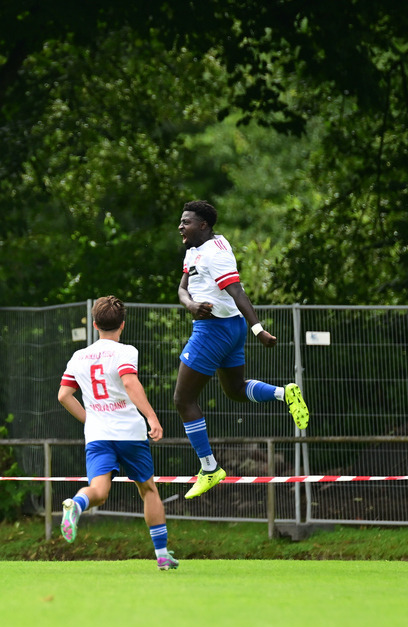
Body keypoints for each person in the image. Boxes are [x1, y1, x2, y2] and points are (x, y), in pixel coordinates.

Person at [175, 200, 310, 499]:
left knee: (183, 399)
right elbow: (182, 289)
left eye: (186, 222)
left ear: (203, 225)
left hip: (214, 330)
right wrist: (191, 305)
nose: (180, 226)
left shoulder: (215, 253)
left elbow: (237, 291)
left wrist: (258, 329)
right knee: (235, 390)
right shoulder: (194, 248)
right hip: (226, 328)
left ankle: (209, 468)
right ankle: (284, 393)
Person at [58, 296, 177, 570]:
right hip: (130, 434)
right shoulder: (125, 351)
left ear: (94, 324)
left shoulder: (78, 357)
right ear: (122, 324)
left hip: (98, 435)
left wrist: (90, 420)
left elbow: (64, 395)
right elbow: (129, 382)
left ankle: (77, 504)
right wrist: (152, 416)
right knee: (148, 489)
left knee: (98, 492)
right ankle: (162, 555)